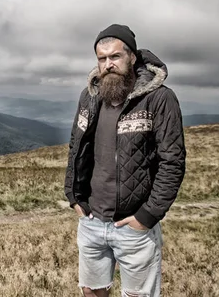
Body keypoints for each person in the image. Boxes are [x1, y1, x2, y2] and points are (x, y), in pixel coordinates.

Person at [64, 24, 186, 297]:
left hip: (134, 228)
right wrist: (74, 196)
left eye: (115, 56)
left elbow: (173, 161)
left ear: (132, 56)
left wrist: (147, 216)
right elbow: (76, 147)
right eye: (102, 58)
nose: (108, 64)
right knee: (91, 292)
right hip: (92, 221)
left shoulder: (159, 98)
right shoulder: (90, 96)